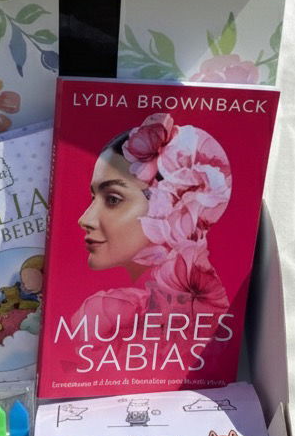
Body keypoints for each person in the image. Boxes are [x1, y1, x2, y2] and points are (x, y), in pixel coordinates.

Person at [75, 112, 233, 348]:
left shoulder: (207, 306)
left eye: (113, 199)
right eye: (93, 197)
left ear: (177, 203)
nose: (84, 219)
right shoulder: (103, 315)